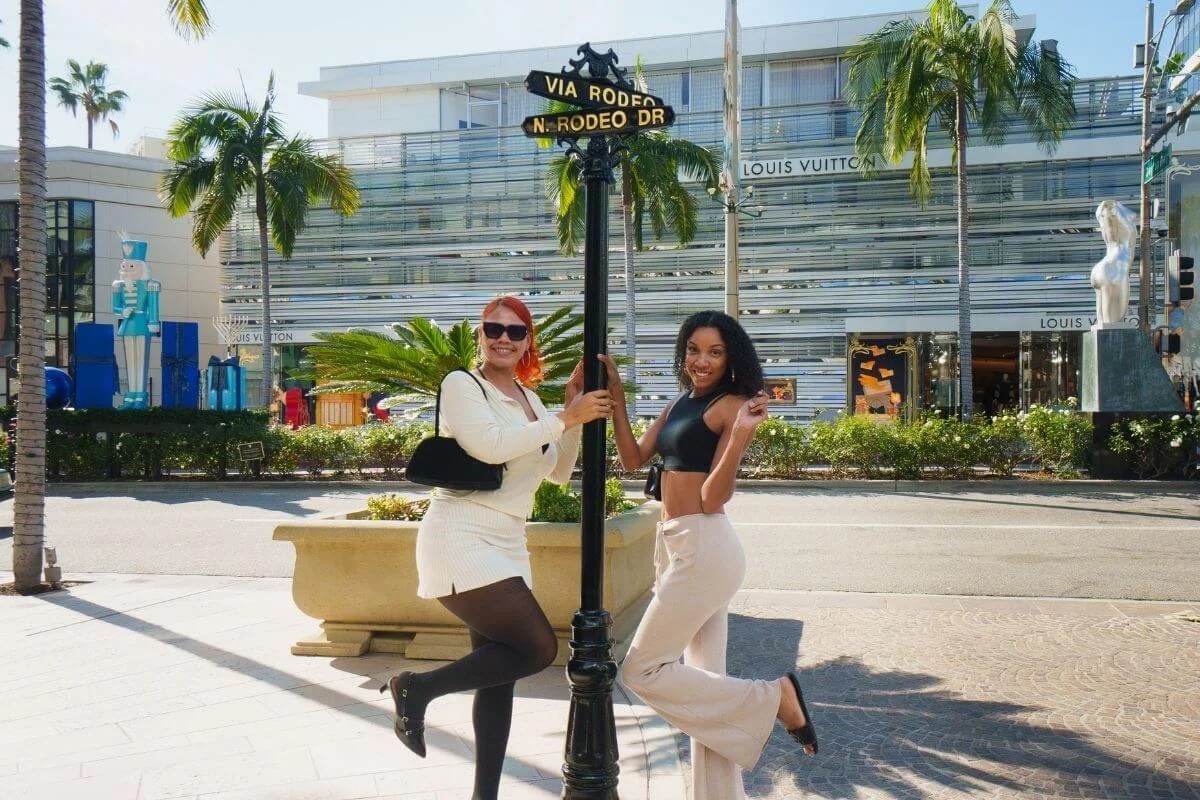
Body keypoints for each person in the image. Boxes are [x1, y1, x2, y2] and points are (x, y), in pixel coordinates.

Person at [378, 295, 612, 799]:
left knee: (498, 677)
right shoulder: (463, 384)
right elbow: (489, 447)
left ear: (529, 341)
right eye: (493, 329)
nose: (504, 338)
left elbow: (558, 472)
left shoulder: (530, 399)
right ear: (480, 336)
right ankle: (414, 689)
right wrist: (565, 419)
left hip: (509, 539)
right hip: (462, 532)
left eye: (515, 331)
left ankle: (484, 796)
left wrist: (573, 414)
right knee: (536, 647)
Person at [601, 310, 818, 800]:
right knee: (707, 686)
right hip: (677, 543)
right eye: (694, 349)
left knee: (640, 669)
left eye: (714, 352)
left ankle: (776, 697)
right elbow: (633, 458)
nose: (701, 361)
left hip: (706, 545)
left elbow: (714, 498)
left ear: (731, 358)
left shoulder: (733, 406)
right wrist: (616, 396)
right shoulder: (683, 400)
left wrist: (740, 434)